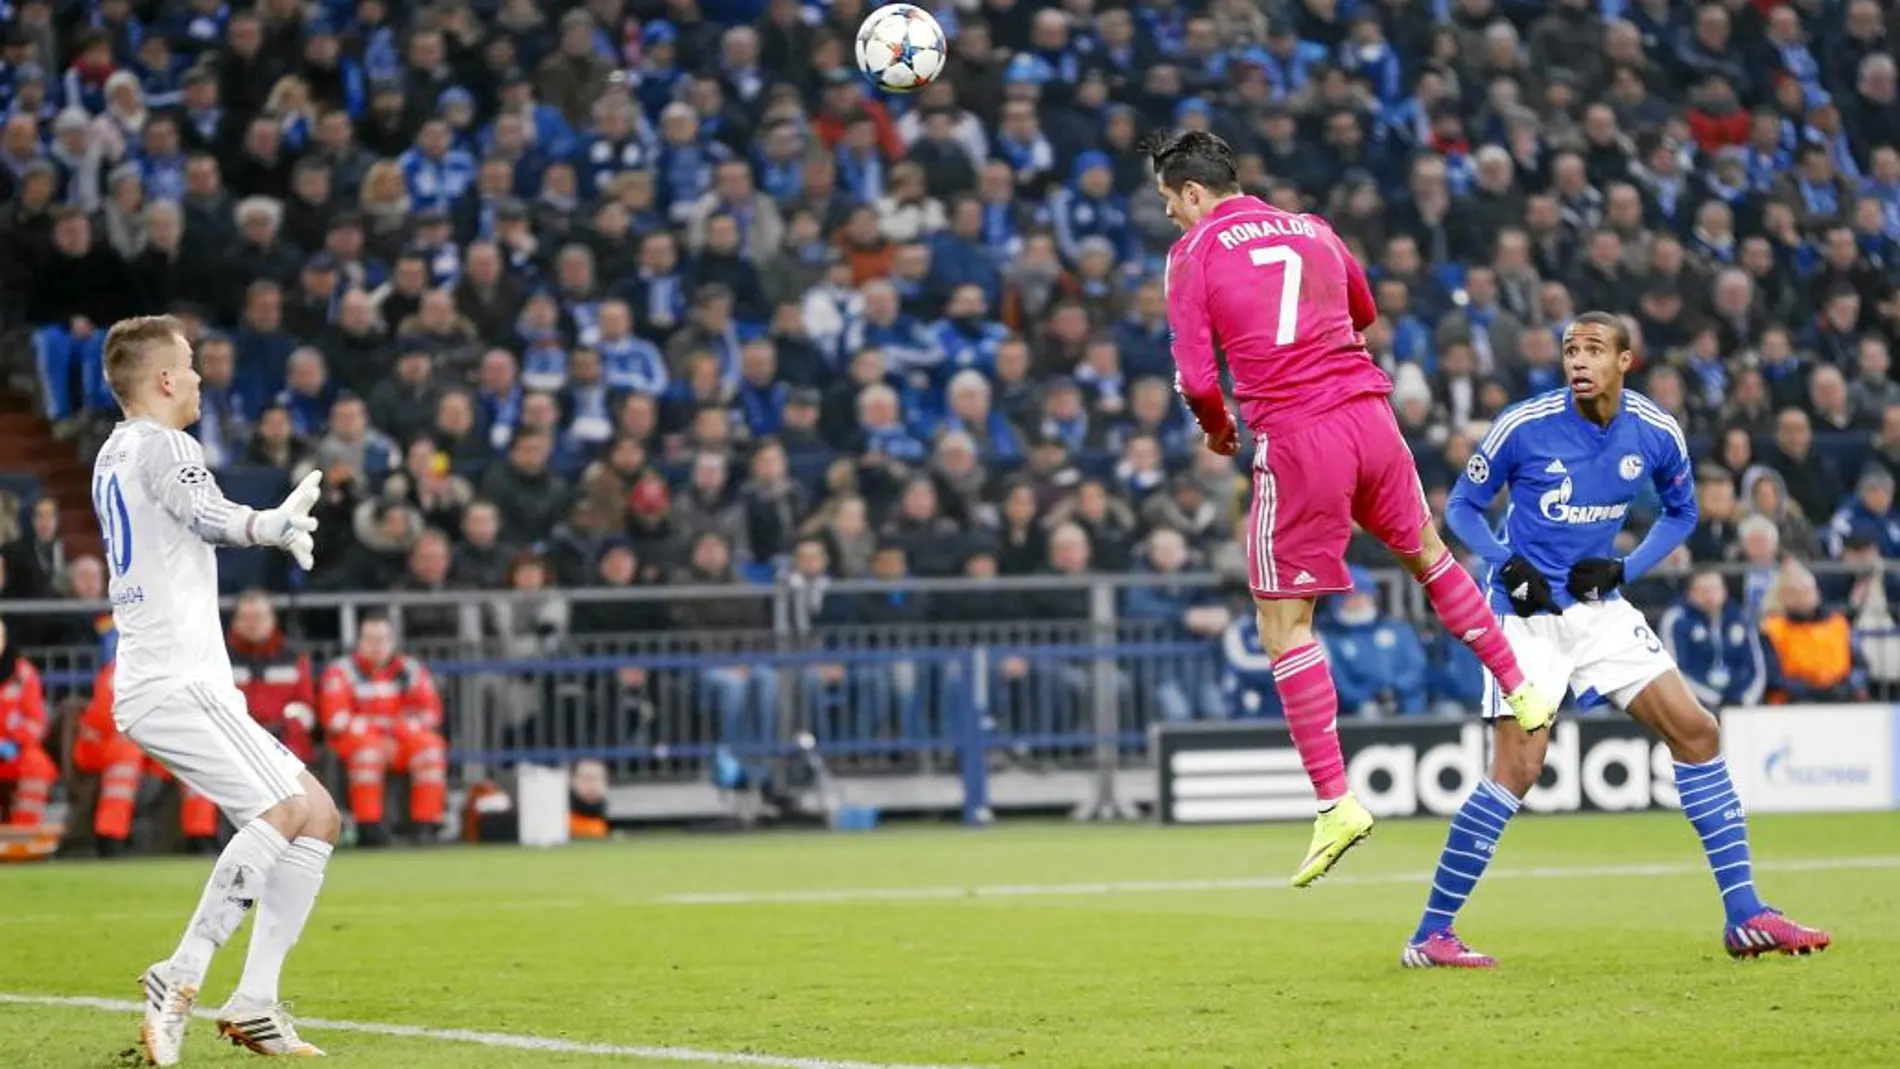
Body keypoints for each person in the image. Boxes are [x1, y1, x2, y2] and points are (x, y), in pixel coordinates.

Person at [1147, 129, 1553, 887]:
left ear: (1194, 193)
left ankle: (1335, 800)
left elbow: (1200, 380)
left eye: (1172, 204)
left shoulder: (1194, 252)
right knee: (1429, 557)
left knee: (1283, 622)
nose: (1173, 218)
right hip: (1370, 417)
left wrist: (1219, 428)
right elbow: (1363, 311)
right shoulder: (1313, 227)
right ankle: (1521, 686)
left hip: (1298, 437)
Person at [1402, 313, 1829, 968]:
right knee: (1518, 768)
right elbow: (1461, 506)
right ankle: (1431, 934)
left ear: (1625, 361)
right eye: (1571, 349)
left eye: (1594, 350)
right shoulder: (1526, 424)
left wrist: (1626, 568)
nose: (1578, 360)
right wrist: (1503, 561)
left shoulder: (1653, 430)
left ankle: (1744, 915)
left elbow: (1683, 511)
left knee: (1697, 731)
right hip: (1525, 615)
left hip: (1599, 607)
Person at [90, 314, 338, 1062]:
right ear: (164, 379)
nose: (198, 376)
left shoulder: (112, 451)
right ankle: (180, 972)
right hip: (176, 676)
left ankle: (256, 1001)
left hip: (174, 675)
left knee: (317, 814)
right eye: (190, 365)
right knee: (283, 807)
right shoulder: (167, 443)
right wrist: (267, 523)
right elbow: (203, 511)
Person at [317, 614, 448, 846]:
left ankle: (425, 826)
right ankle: (370, 828)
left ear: (392, 642)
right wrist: (380, 734)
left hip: (400, 742)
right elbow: (336, 720)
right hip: (357, 744)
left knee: (430, 749)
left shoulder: (410, 670)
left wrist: (395, 733)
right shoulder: (342, 671)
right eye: (370, 639)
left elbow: (430, 713)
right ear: (359, 642)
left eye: (382, 639)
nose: (377, 646)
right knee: (369, 754)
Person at [72, 655, 222, 857]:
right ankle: (109, 837)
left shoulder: (181, 670)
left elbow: (191, 716)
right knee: (126, 754)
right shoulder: (119, 671)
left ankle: (201, 836)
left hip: (153, 749)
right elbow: (111, 719)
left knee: (195, 751)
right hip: (106, 747)